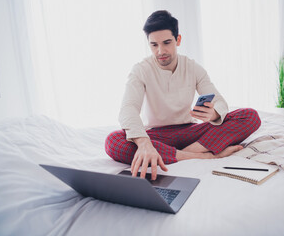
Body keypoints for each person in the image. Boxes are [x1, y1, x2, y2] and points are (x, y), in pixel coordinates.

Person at [105, 10, 261, 180]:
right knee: (113, 141)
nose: (160, 51)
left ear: (178, 40)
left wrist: (214, 113)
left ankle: (178, 154)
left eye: (166, 43)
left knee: (249, 116)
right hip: (156, 136)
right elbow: (128, 109)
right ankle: (204, 155)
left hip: (190, 133)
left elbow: (220, 102)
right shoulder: (140, 70)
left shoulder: (193, 68)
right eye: (154, 45)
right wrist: (144, 144)